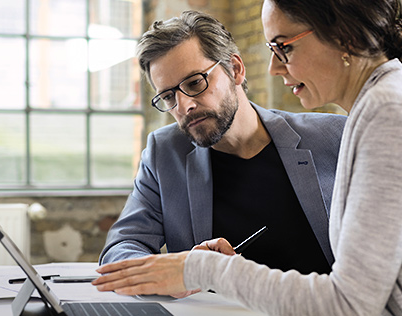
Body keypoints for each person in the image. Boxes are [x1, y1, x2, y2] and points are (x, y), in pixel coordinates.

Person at [92, 1, 402, 315]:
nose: (275, 67)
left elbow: (348, 304)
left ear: (341, 34)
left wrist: (205, 267)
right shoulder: (386, 103)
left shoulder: (389, 113)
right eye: (168, 96)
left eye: (283, 46)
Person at [98, 9, 347, 291]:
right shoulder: (164, 153)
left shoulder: (335, 137)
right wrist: (185, 269)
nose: (183, 106)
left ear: (236, 69)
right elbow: (121, 249)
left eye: (194, 83)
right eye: (168, 96)